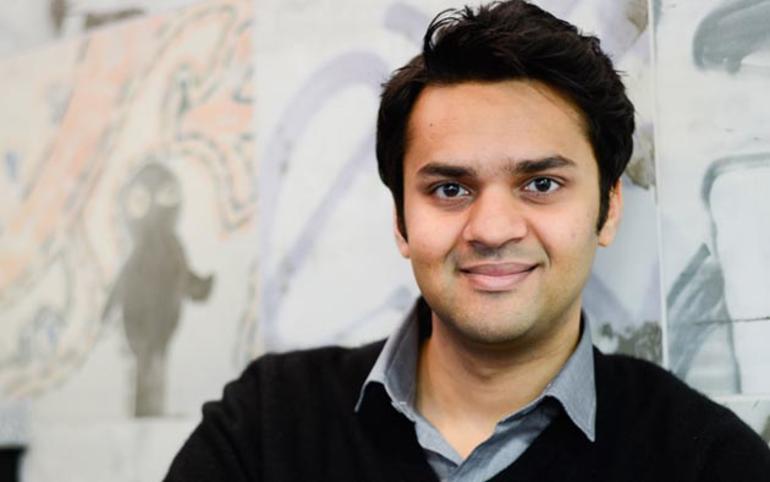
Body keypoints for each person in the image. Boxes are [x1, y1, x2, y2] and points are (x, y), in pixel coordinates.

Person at [166, 1, 770, 480]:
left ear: (608, 209)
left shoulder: (705, 460)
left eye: (541, 183)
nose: (493, 229)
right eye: (450, 189)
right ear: (400, 221)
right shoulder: (263, 429)